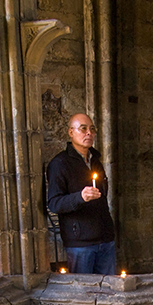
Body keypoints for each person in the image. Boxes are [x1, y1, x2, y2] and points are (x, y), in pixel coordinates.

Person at [46, 113, 117, 275]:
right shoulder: (60, 164)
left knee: (108, 292)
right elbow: (54, 203)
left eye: (92, 129)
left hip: (105, 239)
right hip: (80, 243)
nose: (89, 133)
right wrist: (80, 197)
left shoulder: (95, 161)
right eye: (83, 129)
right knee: (84, 293)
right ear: (71, 132)